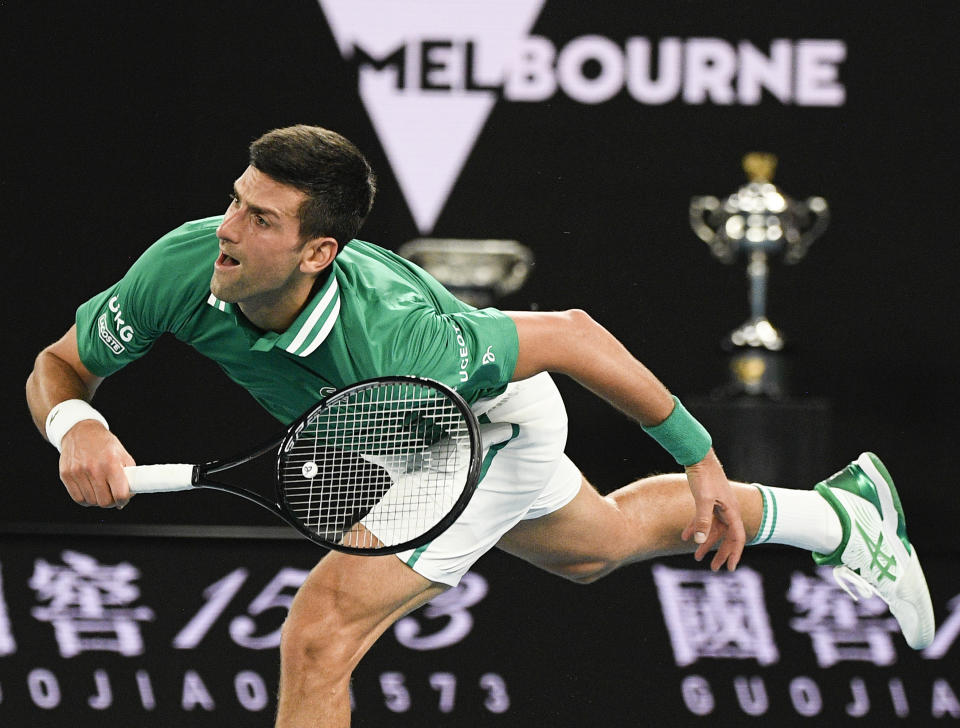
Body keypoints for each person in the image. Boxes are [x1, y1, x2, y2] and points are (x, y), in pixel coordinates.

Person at [26, 125, 935, 727]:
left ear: (316, 253)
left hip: (482, 427)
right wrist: (77, 426)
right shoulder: (186, 265)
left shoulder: (402, 338)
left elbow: (575, 338)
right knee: (598, 546)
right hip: (392, 436)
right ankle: (839, 518)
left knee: (320, 630)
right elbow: (59, 365)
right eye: (234, 198)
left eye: (257, 218)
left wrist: (700, 459)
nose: (227, 228)